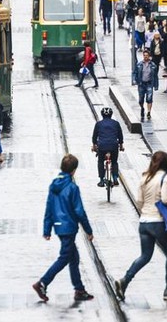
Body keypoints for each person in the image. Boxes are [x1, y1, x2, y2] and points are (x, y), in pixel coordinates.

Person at [112, 150, 167, 301]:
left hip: (144, 222)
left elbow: (139, 201)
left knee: (145, 256)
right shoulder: (165, 178)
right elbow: (166, 200)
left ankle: (125, 280)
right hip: (158, 222)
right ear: (166, 163)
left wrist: (145, 211)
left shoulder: (144, 177)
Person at [33, 154, 94, 303]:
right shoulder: (72, 187)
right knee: (64, 258)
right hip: (69, 227)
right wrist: (88, 230)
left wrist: (47, 229)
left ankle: (79, 289)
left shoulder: (54, 185)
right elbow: (79, 211)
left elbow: (49, 208)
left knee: (74, 257)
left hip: (59, 227)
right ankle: (42, 283)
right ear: (73, 170)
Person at [92, 107, 124, 187]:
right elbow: (120, 135)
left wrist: (94, 146)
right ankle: (115, 178)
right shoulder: (116, 123)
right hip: (114, 145)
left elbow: (94, 136)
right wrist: (121, 145)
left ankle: (101, 180)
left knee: (100, 161)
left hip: (102, 146)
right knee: (114, 161)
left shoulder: (98, 124)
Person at [134, 50, 157, 121]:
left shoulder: (153, 65)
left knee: (149, 98)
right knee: (141, 99)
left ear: (149, 56)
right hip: (141, 84)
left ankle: (149, 112)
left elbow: (155, 76)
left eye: (147, 55)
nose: (145, 56)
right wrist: (135, 80)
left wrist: (156, 85)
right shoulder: (139, 64)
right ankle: (142, 108)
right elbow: (135, 73)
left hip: (149, 83)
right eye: (144, 55)